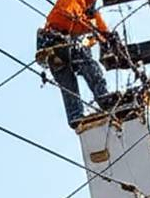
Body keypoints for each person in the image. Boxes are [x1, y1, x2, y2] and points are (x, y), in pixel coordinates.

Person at [37, 0, 113, 129]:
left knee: (68, 84)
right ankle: (103, 99)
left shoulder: (81, 11)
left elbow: (99, 30)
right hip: (60, 42)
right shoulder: (75, 6)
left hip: (50, 44)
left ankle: (75, 116)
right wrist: (105, 37)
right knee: (88, 66)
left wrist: (105, 36)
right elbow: (75, 19)